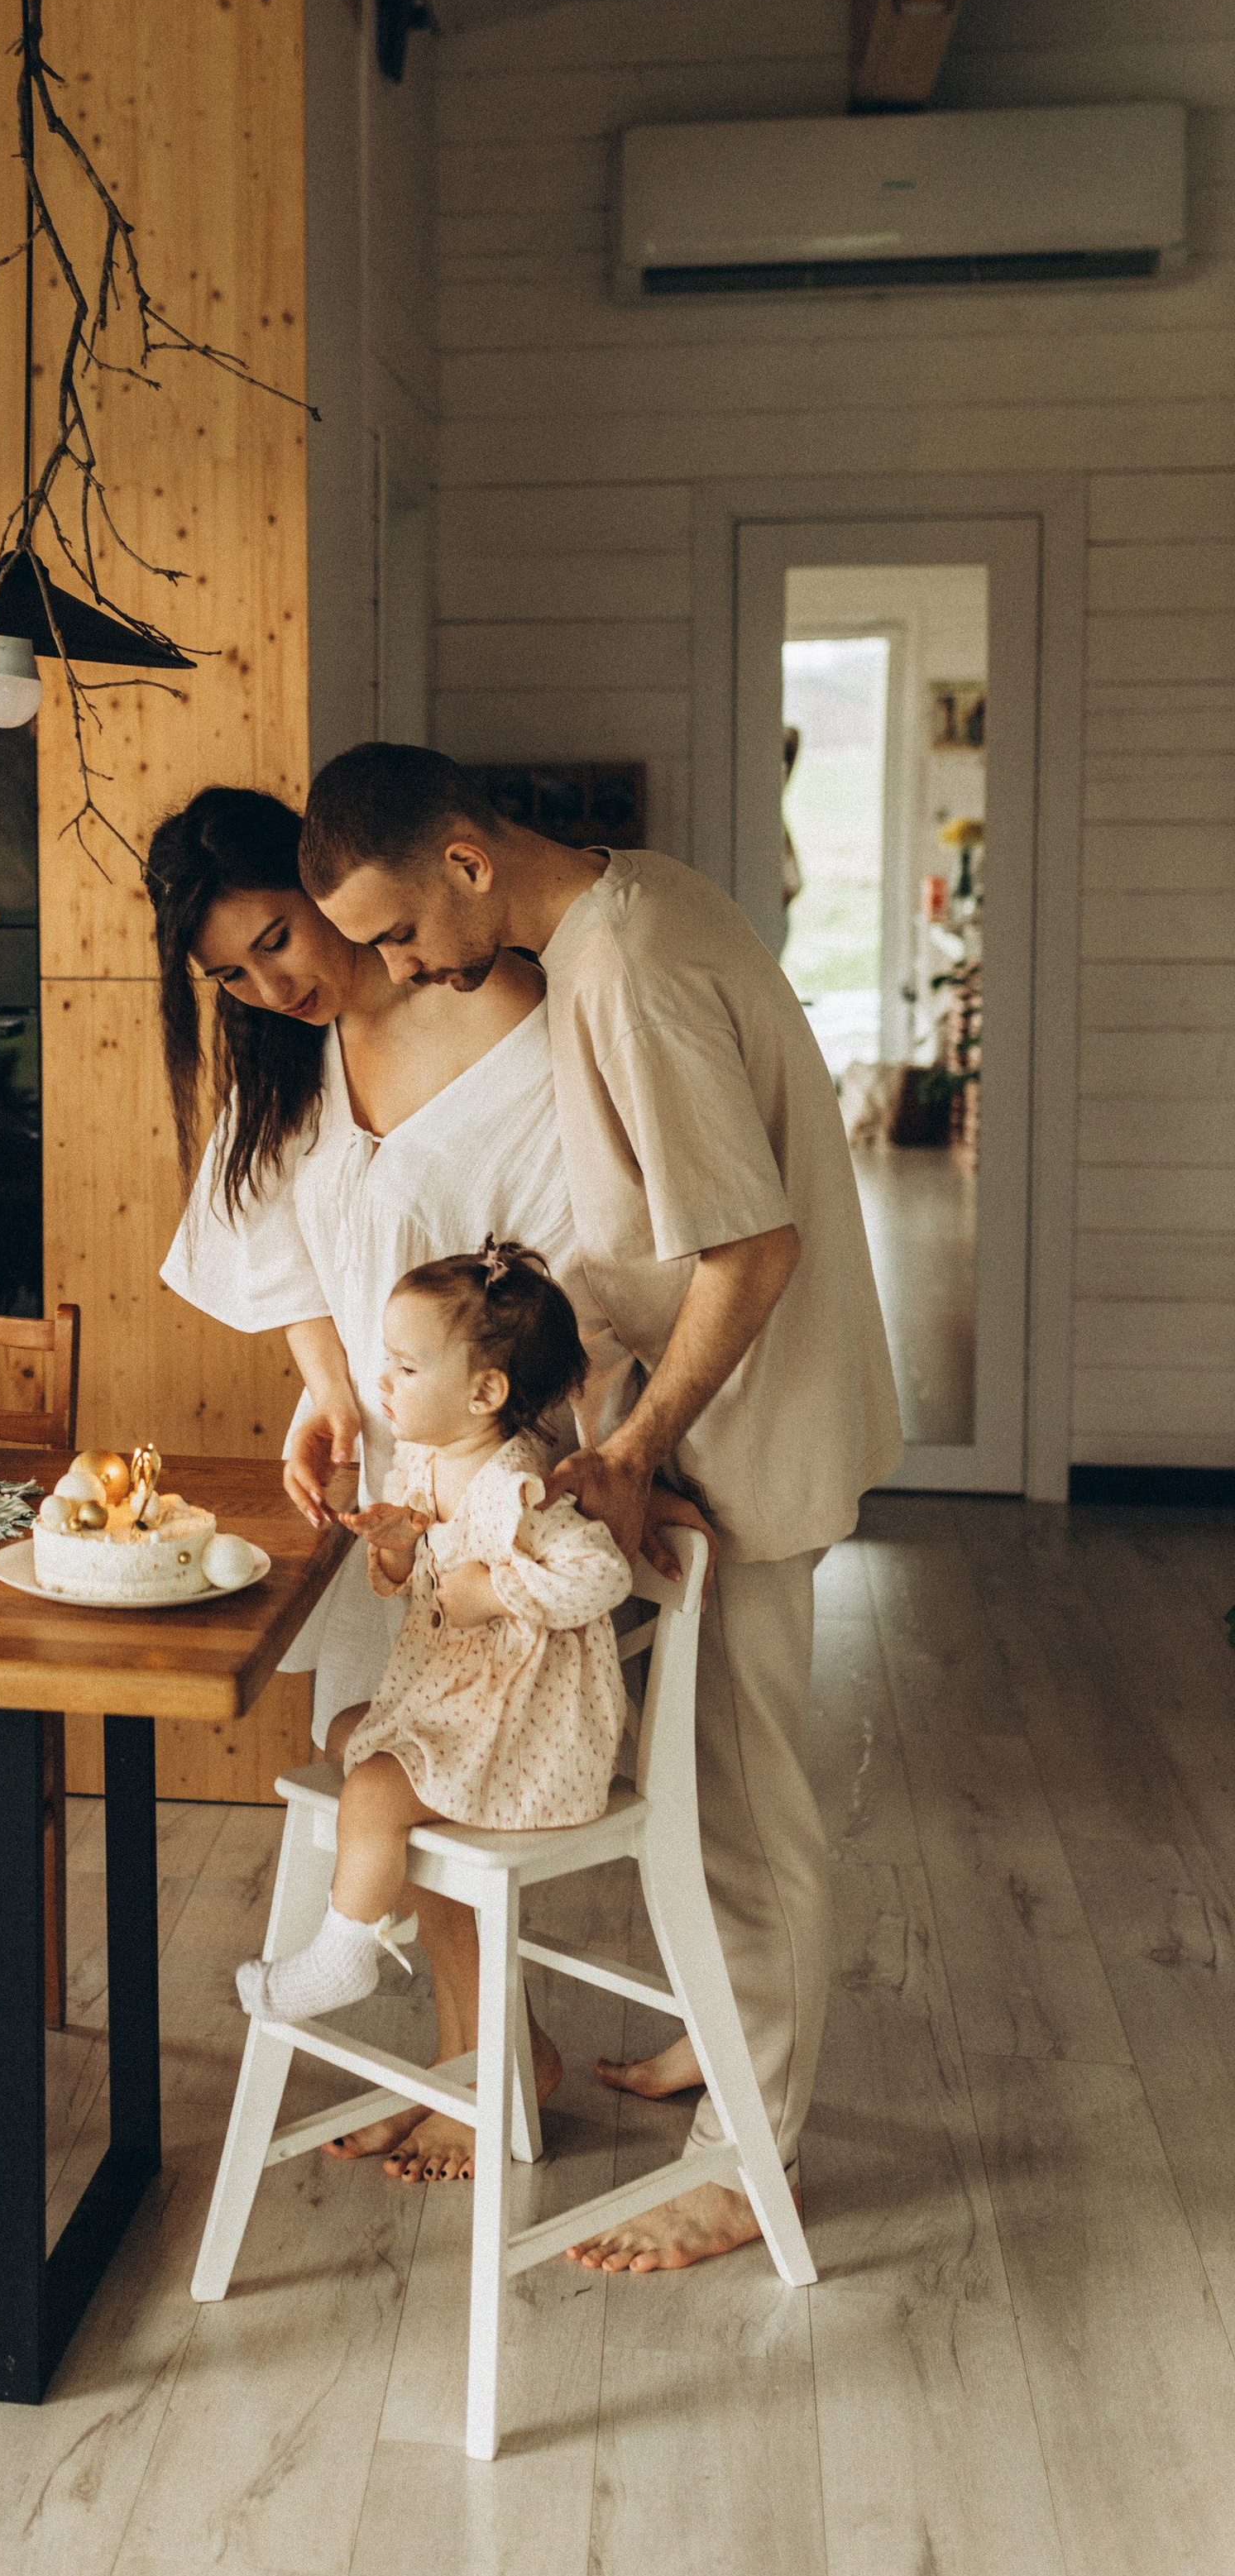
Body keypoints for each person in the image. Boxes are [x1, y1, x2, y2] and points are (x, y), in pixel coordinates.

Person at [299, 743, 902, 2273]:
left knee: (752, 1819)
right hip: (711, 1431)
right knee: (702, 1805)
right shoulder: (626, 915)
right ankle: (722, 2044)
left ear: (466, 859)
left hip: (745, 1439)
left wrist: (631, 1449)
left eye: (394, 929)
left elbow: (747, 1247)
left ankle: (740, 2160)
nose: (394, 965)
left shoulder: (622, 965)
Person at [151, 785, 633, 2173]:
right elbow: (286, 1241)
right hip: (393, 1480)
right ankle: (488, 2060)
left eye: (277, 940)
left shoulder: (514, 1020)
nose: (268, 984)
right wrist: (321, 1387)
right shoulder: (288, 1062)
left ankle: (489, 2072)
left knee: (445, 1773)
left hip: (496, 1482)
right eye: (230, 975)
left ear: (319, 881)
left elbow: (588, 1269)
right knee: (402, 1764)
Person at [238, 1243, 632, 2029]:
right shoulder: (427, 1464)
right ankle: (385, 1898)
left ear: (486, 1391)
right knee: (343, 1732)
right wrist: (397, 1548)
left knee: (378, 1783)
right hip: (462, 1703)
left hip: (527, 1729)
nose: (383, 1380)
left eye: (407, 1368)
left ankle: (344, 1952)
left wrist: (495, 1588)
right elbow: (428, 1582)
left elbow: (602, 1575)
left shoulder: (517, 1487)